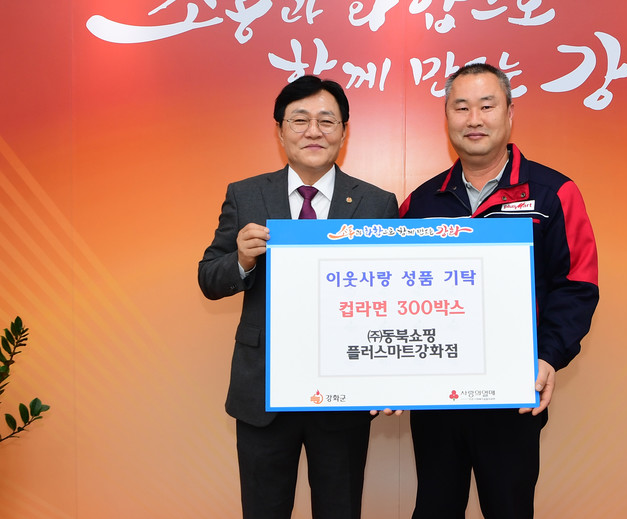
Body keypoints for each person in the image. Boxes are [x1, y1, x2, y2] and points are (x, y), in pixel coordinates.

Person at [399, 63, 599, 518]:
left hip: (513, 394)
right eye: (461, 107)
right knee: (434, 508)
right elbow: (399, 301)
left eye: (487, 106)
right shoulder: (420, 204)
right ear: (446, 117)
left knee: (509, 508)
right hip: (437, 396)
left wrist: (547, 357)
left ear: (509, 114)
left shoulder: (553, 193)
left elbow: (578, 284)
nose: (474, 119)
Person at [198, 75, 398, 519]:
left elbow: (391, 299)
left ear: (344, 131)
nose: (314, 131)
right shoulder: (246, 194)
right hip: (263, 392)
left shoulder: (377, 204)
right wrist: (241, 260)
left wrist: (389, 377)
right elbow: (208, 278)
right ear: (280, 130)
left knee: (340, 509)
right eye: (300, 120)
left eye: (327, 121)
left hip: (344, 393)